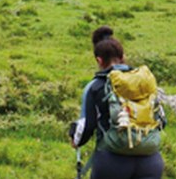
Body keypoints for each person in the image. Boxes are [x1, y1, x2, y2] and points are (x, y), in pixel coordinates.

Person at [70, 26, 165, 179]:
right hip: (150, 161)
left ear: (99, 60)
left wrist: (76, 140)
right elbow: (161, 120)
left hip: (111, 162)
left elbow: (87, 125)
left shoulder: (95, 86)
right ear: (122, 56)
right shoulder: (143, 81)